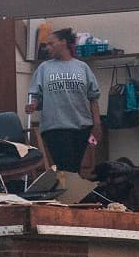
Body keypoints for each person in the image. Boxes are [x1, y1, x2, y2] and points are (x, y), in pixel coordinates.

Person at [26, 27, 102, 173]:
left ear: (63, 42)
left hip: (81, 126)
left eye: (51, 43)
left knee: (76, 168)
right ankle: (68, 188)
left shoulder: (82, 67)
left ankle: (71, 188)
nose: (47, 48)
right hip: (55, 127)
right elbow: (36, 95)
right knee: (66, 167)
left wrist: (97, 124)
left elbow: (93, 98)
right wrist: (33, 105)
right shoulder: (44, 68)